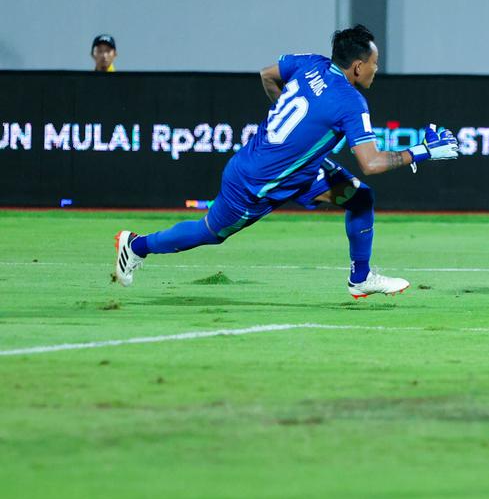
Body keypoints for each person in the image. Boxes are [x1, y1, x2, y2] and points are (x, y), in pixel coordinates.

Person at [113, 24, 460, 299]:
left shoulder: (310, 62)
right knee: (210, 232)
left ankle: (361, 277)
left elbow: (267, 74)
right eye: (374, 63)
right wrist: (423, 151)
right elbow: (370, 162)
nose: (377, 68)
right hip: (256, 184)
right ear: (357, 67)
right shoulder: (351, 102)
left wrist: (286, 123)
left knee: (360, 198)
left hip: (300, 174)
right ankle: (136, 245)